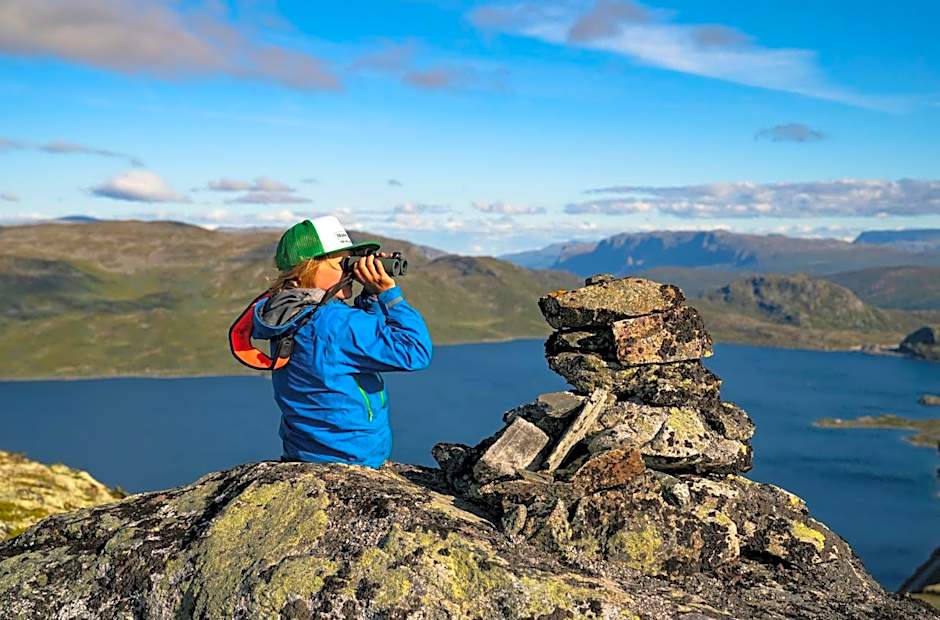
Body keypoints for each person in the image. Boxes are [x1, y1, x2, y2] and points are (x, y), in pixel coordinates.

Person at [245, 216, 432, 467]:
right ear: (308, 268)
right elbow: (414, 351)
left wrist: (371, 296)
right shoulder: (334, 323)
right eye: (342, 263)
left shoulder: (287, 310)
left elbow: (355, 345)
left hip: (305, 452)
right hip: (349, 458)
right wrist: (390, 296)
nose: (350, 271)